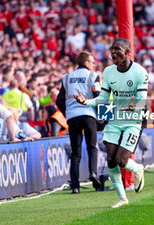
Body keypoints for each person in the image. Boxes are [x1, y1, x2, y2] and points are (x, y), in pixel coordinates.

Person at [74, 38, 147, 208]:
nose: (113, 52)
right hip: (114, 119)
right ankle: (122, 198)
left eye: (117, 49)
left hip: (132, 120)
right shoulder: (107, 72)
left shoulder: (139, 72)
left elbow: (143, 100)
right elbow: (104, 98)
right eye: (112, 49)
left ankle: (137, 170)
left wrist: (134, 105)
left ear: (127, 52)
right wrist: (87, 102)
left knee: (122, 160)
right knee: (111, 160)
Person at [56, 51, 101, 194]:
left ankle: (75, 186)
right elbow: (99, 96)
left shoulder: (66, 78)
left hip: (72, 117)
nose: (94, 65)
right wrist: (101, 116)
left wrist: (67, 113)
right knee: (92, 147)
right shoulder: (94, 76)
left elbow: (59, 101)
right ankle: (93, 172)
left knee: (75, 152)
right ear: (86, 63)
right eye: (93, 62)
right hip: (89, 115)